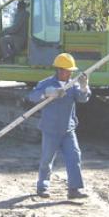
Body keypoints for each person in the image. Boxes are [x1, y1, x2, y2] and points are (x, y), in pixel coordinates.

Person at [27, 52, 91, 199]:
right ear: (60, 70)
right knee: (47, 159)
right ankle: (42, 187)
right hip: (50, 129)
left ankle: (74, 189)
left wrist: (84, 87)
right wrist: (47, 93)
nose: (70, 74)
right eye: (68, 71)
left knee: (74, 157)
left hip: (68, 129)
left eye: (71, 71)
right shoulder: (46, 83)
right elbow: (32, 97)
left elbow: (83, 99)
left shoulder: (73, 85)